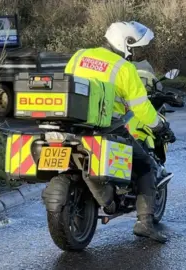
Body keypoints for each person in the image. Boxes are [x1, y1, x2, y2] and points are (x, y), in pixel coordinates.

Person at [64, 21, 176, 243]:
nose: (135, 53)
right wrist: (161, 127)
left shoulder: (79, 56)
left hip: (71, 127)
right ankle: (144, 223)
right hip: (107, 128)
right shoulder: (123, 68)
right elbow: (142, 109)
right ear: (126, 44)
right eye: (134, 48)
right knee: (146, 165)